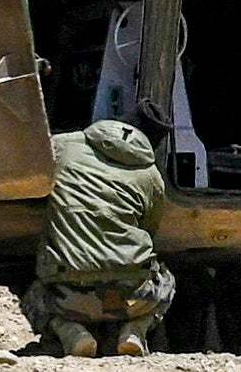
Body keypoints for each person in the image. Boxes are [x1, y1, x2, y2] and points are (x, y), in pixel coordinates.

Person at [26, 116, 175, 358]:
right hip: (133, 297)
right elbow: (150, 228)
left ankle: (71, 332)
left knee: (34, 297)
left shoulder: (63, 145)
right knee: (166, 283)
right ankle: (135, 330)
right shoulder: (152, 176)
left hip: (69, 295)